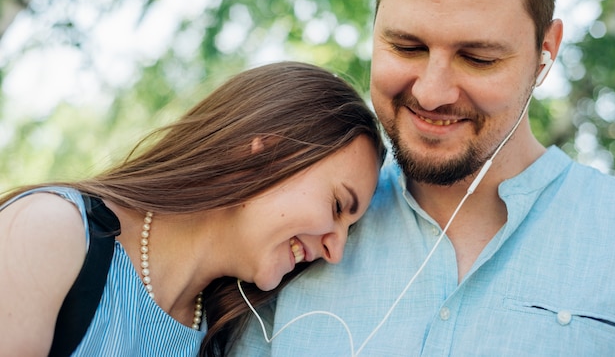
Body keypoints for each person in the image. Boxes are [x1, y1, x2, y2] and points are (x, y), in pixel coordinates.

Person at [232, 0, 615, 355]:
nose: (432, 93)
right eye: (406, 47)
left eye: (477, 58)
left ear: (546, 52)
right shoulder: (293, 228)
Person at [0, 61, 386, 357]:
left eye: (349, 229)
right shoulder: (52, 233)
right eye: (337, 205)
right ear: (268, 153)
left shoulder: (224, 339)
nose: (336, 251)